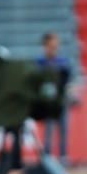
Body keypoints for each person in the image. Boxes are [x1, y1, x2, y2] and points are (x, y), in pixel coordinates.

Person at [36, 32, 74, 160]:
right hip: (49, 103)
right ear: (45, 46)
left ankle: (64, 156)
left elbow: (69, 82)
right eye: (51, 45)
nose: (54, 48)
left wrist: (70, 93)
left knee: (64, 130)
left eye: (55, 45)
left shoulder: (63, 62)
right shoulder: (40, 63)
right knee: (49, 130)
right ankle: (47, 157)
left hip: (62, 101)